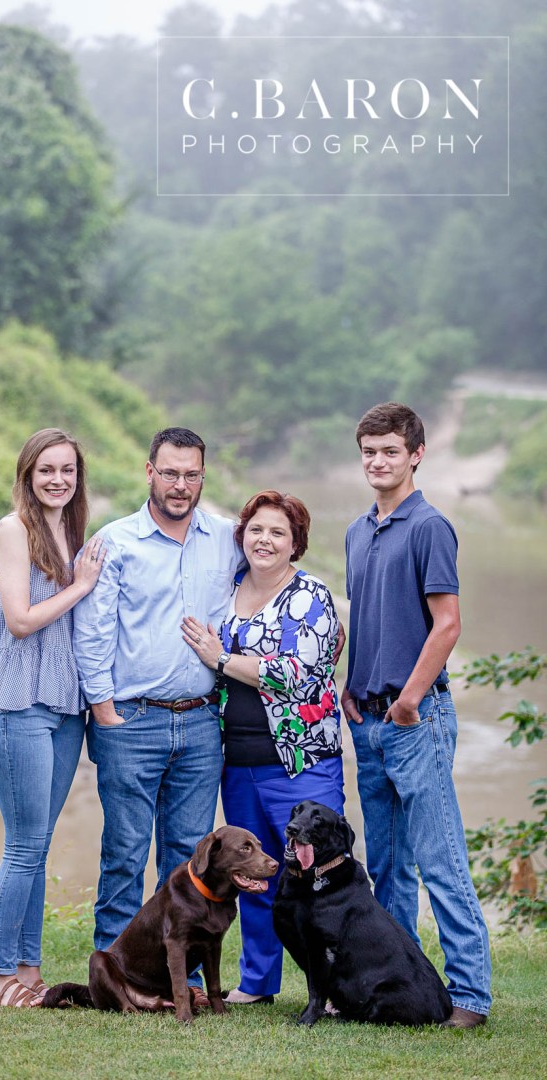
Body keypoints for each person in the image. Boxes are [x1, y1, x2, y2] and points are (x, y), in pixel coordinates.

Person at [72, 427, 243, 1002]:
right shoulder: (114, 542)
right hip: (132, 720)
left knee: (189, 859)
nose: (180, 484)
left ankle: (183, 983)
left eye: (192, 474)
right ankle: (117, 980)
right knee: (123, 852)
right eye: (170, 472)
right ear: (149, 471)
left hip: (200, 723)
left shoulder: (226, 539)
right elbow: (92, 632)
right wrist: (104, 711)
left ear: (203, 475)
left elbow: (272, 572)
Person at [341, 402, 491, 1029]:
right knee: (388, 868)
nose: (378, 462)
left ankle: (471, 996)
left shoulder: (429, 526)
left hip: (414, 719)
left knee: (440, 861)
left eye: (390, 452)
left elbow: (447, 624)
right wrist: (353, 686)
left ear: (416, 454)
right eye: (369, 452)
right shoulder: (356, 531)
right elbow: (371, 619)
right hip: (368, 723)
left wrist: (407, 700)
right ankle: (402, 986)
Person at [182, 490, 344, 1005]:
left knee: (321, 874)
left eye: (278, 532)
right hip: (240, 762)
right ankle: (257, 984)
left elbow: (299, 674)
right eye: (256, 529)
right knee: (251, 876)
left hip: (302, 763)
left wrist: (221, 656)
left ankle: (341, 987)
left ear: (295, 542)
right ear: (242, 536)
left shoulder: (309, 594)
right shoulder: (227, 588)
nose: (265, 540)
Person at [0, 428, 105, 1007]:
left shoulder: (72, 528)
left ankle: (29, 970)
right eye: (46, 469)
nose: (58, 479)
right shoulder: (13, 528)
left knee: (40, 842)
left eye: (67, 470)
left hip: (65, 703)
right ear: (28, 474)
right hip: (18, 698)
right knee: (23, 844)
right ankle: (1, 976)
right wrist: (80, 586)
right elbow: (21, 620)